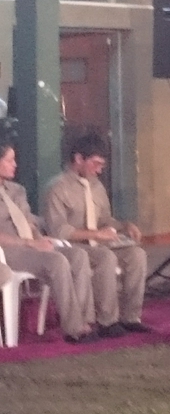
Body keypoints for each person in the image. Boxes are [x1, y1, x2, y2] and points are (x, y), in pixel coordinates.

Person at [44, 133, 150, 338]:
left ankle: (130, 317)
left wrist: (124, 226)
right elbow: (59, 230)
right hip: (72, 245)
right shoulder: (57, 188)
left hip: (98, 242)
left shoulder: (96, 186)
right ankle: (107, 320)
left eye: (102, 165)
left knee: (136, 254)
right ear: (78, 159)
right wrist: (96, 234)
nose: (99, 170)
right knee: (105, 257)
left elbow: (104, 219)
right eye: (96, 164)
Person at [0, 141, 98, 344]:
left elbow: (27, 220)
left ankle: (84, 319)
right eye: (10, 160)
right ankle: (74, 328)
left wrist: (39, 237)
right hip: (9, 250)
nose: (15, 164)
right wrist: (29, 243)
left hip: (29, 245)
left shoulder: (17, 190)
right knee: (56, 261)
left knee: (78, 255)